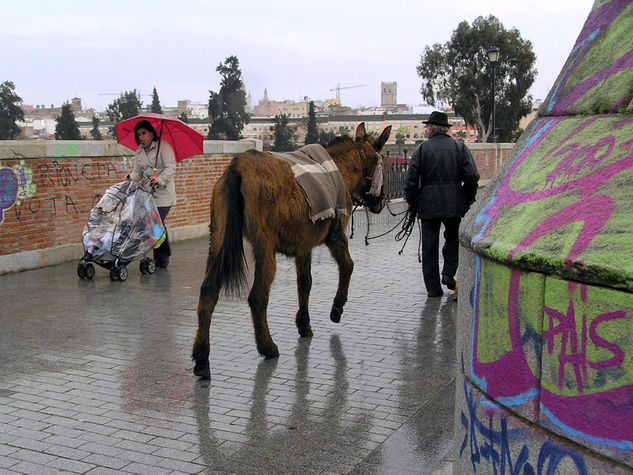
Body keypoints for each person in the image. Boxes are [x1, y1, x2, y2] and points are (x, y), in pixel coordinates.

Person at [404, 111, 479, 298]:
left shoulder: (422, 149)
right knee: (452, 239)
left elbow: (411, 180)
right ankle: (449, 272)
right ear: (446, 129)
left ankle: (433, 288)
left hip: (428, 203)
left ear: (431, 129)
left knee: (429, 246)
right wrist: (468, 197)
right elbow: (471, 176)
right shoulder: (460, 147)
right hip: (455, 202)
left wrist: (411, 202)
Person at [128, 120, 176, 268]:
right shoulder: (139, 151)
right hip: (148, 193)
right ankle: (161, 254)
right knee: (154, 225)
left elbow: (171, 167)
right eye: (139, 135)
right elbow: (137, 172)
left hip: (163, 194)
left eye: (144, 133)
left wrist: (159, 178)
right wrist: (130, 178)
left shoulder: (164, 147)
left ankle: (162, 256)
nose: (141, 137)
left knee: (157, 223)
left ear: (151, 133)